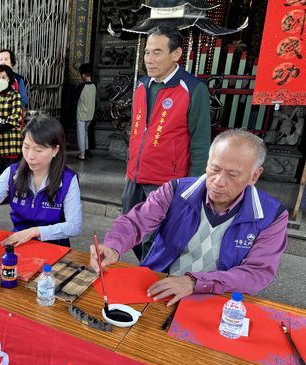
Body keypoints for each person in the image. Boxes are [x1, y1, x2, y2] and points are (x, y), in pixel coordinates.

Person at [91, 129, 288, 306]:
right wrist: (113, 245)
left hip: (218, 297)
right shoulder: (176, 190)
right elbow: (136, 221)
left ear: (254, 176)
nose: (218, 182)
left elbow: (257, 273)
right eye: (215, 169)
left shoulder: (271, 216)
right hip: (159, 286)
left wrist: (196, 282)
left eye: (233, 175)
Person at [124, 24, 211, 261]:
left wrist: (194, 186)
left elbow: (201, 142)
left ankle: (152, 279)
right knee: (132, 231)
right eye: (147, 53)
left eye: (157, 52)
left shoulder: (193, 89)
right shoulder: (142, 85)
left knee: (157, 238)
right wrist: (130, 169)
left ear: (176, 54)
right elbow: (136, 132)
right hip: (135, 179)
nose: (149, 59)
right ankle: (147, 270)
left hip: (166, 183)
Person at [0, 115, 82, 247]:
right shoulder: (13, 173)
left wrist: (34, 232)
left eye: (38, 150)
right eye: (26, 147)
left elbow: (74, 225)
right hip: (19, 244)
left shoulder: (68, 180)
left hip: (55, 247)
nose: (30, 156)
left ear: (55, 150)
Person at [73, 63, 97, 160]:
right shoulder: (94, 86)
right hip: (90, 114)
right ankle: (87, 150)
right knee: (85, 132)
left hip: (81, 114)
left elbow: (74, 99)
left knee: (81, 134)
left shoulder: (81, 87)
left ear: (83, 75)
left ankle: (82, 155)